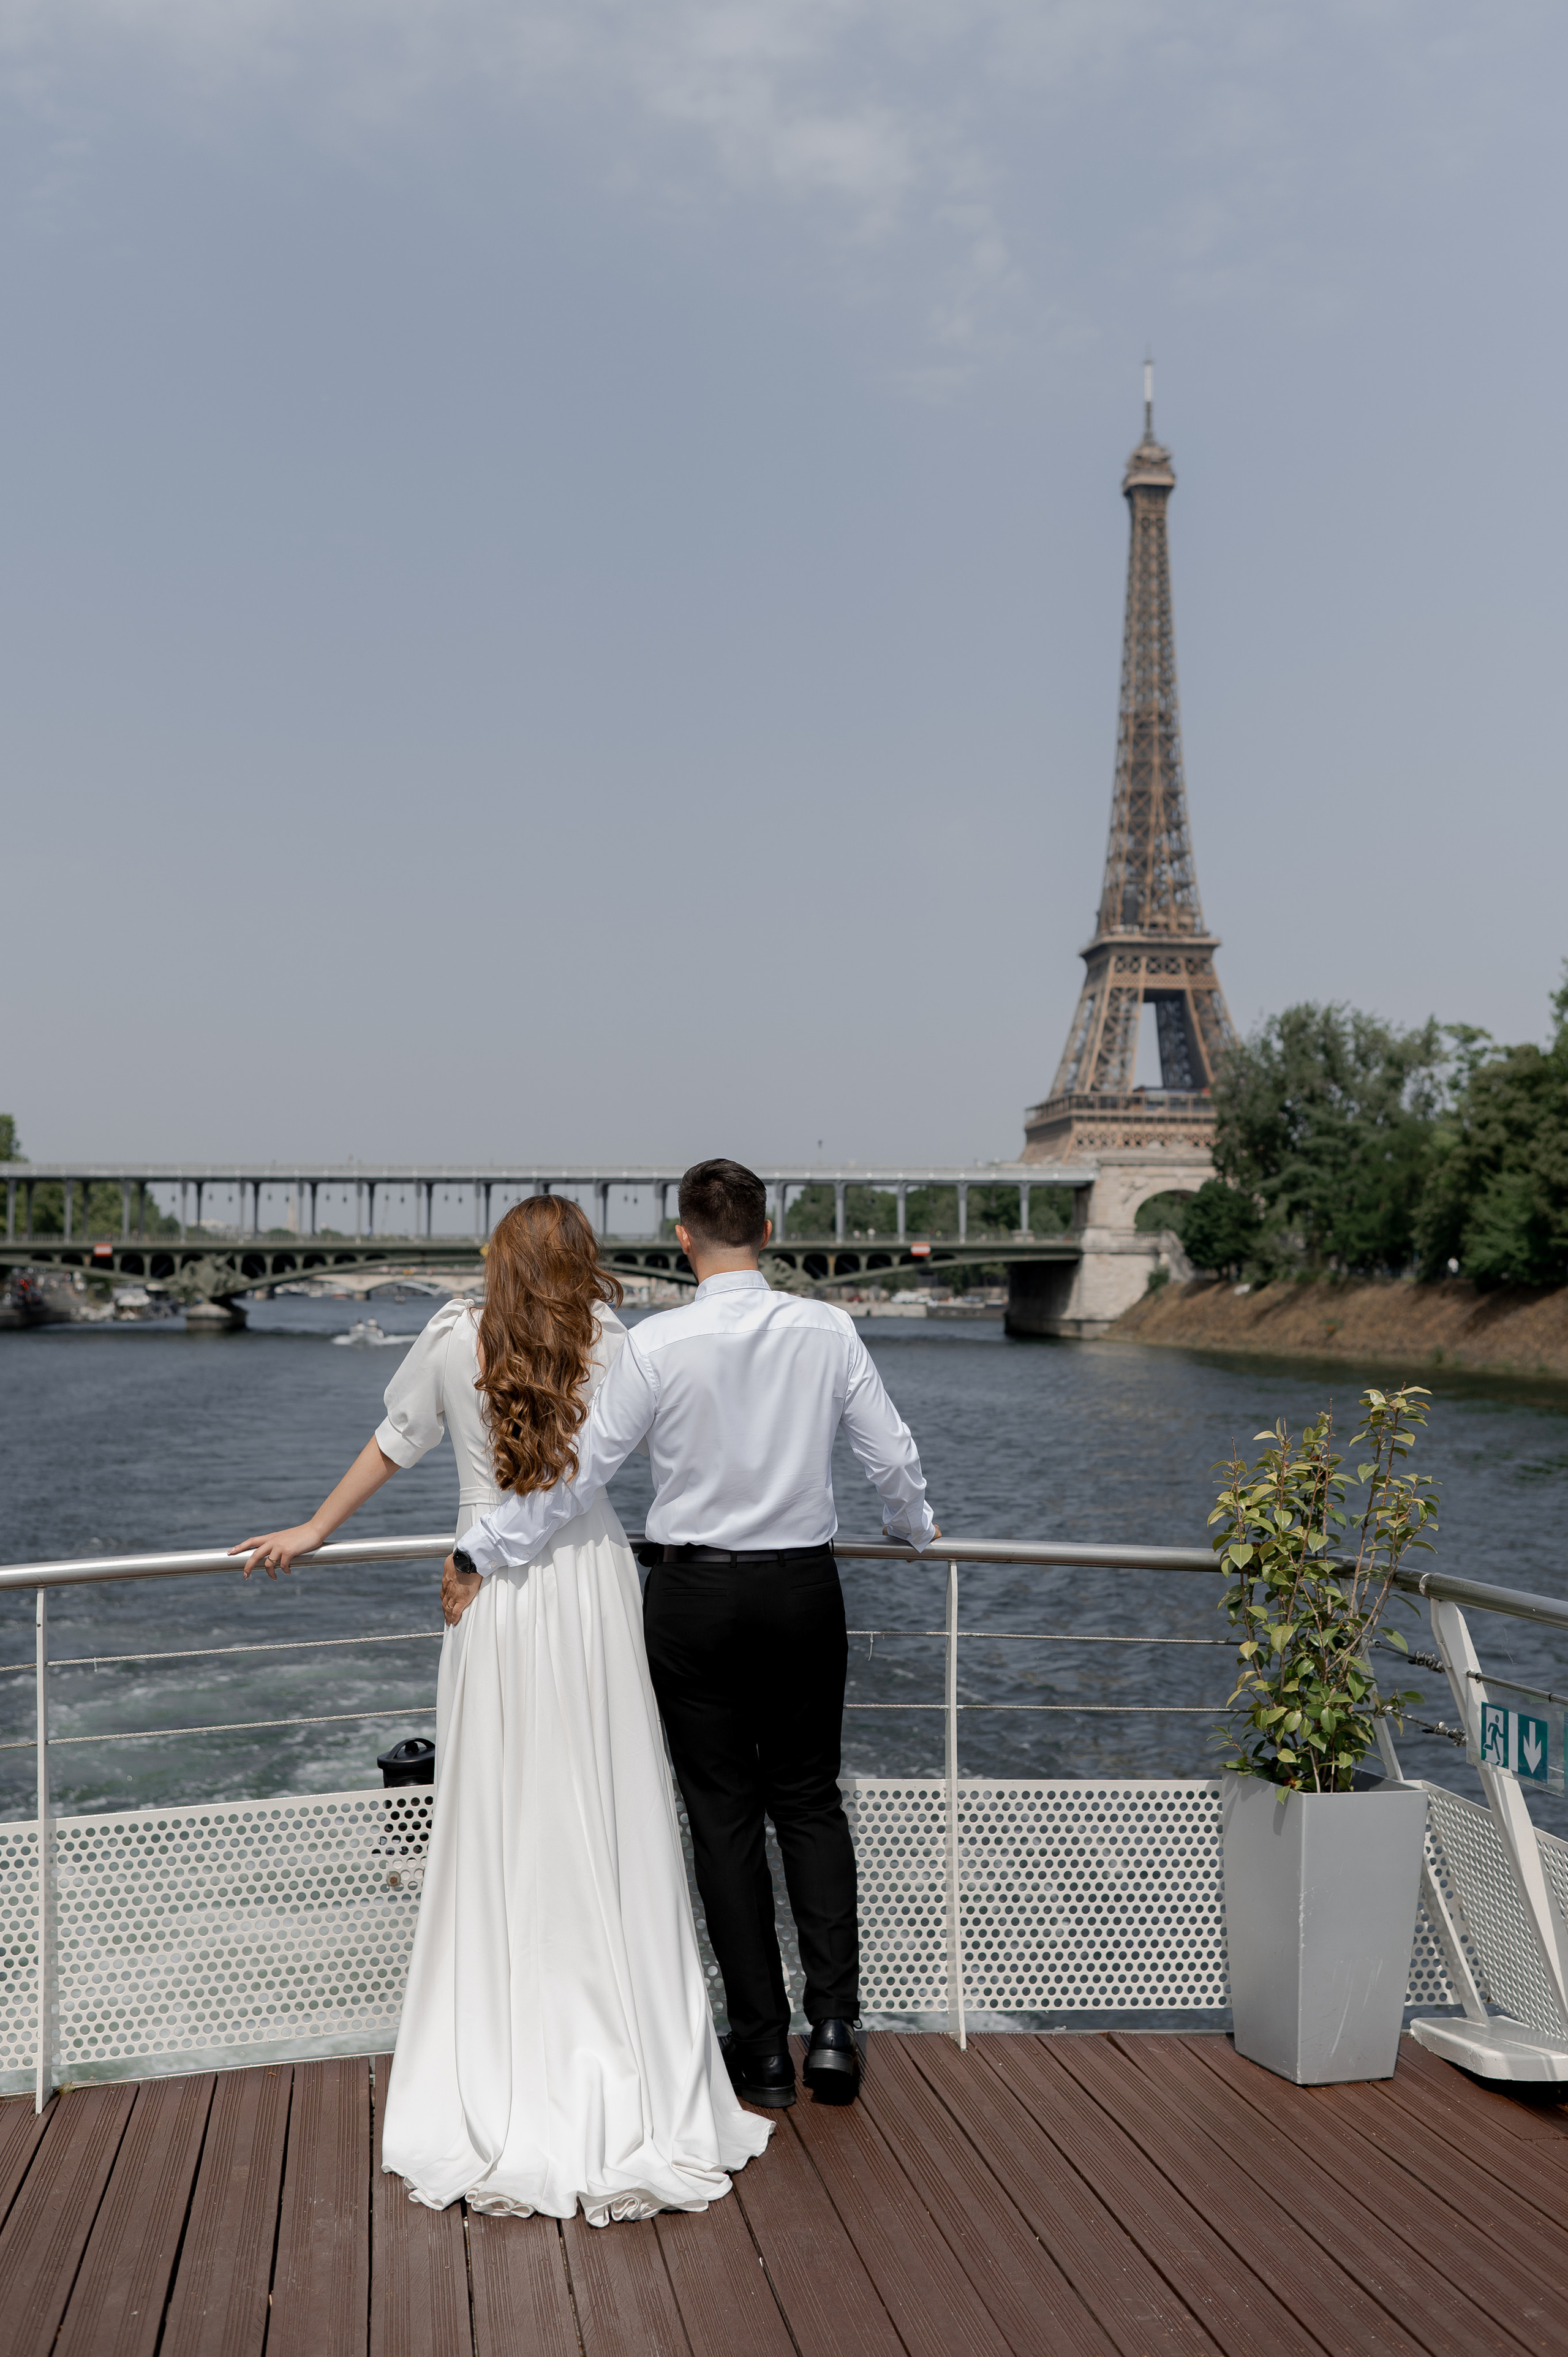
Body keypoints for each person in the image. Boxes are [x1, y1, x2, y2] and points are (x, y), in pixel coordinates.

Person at [230, 1195, 770, 2224]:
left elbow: (395, 1443)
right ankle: (632, 2058)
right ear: (584, 1262)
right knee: (608, 1800)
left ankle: (504, 2050)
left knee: (500, 1811)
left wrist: (313, 1525)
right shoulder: (619, 1342)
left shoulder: (450, 1338)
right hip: (594, 1582)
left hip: (491, 1591)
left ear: (497, 1259)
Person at [447, 1158, 937, 2111]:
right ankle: (834, 2028)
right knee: (809, 1802)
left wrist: (481, 1551)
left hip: (692, 1597)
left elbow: (579, 1478)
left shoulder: (657, 1345)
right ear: (767, 1232)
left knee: (722, 1816)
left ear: (683, 1238)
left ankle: (758, 2049)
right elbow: (892, 1455)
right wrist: (914, 1529)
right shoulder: (828, 1329)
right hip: (802, 1589)